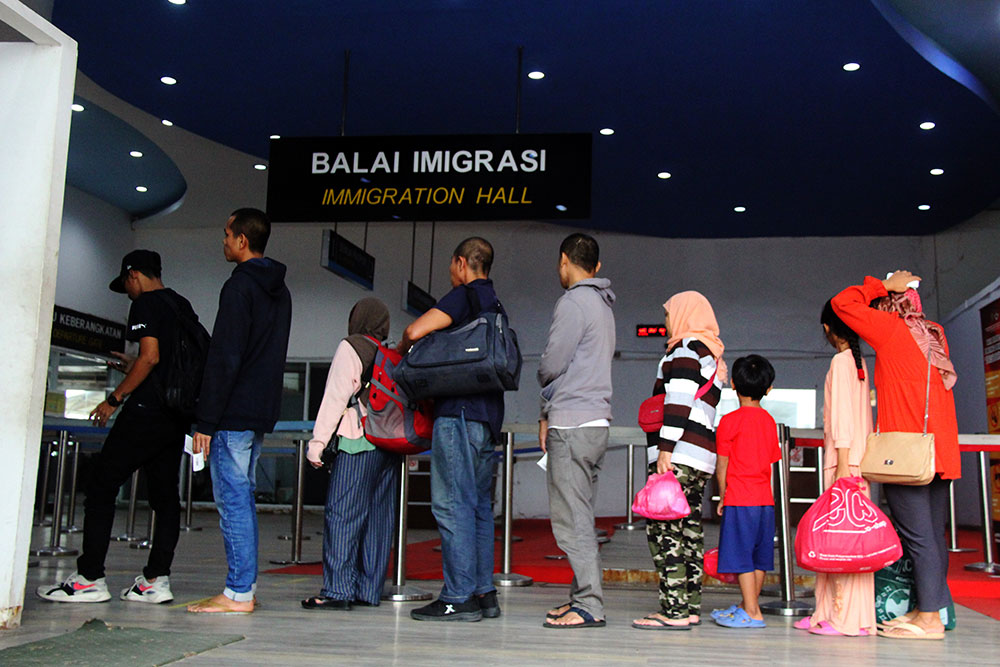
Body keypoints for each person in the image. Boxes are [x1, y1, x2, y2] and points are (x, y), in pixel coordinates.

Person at [38, 250, 199, 605]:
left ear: (133, 275)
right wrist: (133, 365)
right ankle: (156, 581)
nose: (127, 291)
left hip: (145, 412)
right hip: (175, 415)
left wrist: (113, 399)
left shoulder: (145, 304)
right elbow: (165, 362)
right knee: (165, 498)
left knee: (101, 486)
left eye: (126, 284)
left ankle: (89, 578)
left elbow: (151, 357)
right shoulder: (180, 304)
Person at [832, 270, 959, 641]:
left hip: (907, 455)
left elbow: (842, 303)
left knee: (918, 538)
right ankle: (929, 609)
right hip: (940, 451)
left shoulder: (890, 329)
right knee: (933, 535)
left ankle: (930, 619)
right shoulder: (934, 333)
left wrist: (883, 286)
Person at [187, 208, 292, 614]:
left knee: (232, 501)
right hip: (259, 409)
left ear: (243, 240)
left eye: (227, 234)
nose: (224, 241)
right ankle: (244, 587)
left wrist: (206, 419)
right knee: (243, 499)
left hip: (232, 413)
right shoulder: (280, 291)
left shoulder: (238, 287)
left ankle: (237, 593)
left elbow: (225, 356)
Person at [398, 237, 503, 622]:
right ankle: (483, 593)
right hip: (487, 418)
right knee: (477, 507)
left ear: (461, 263)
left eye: (451, 265)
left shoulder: (464, 296)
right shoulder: (495, 304)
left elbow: (415, 330)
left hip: (458, 414)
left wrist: (402, 347)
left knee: (451, 504)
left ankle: (457, 596)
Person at [633, 291, 724, 630]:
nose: (667, 321)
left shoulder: (685, 349)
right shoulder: (711, 356)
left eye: (669, 314)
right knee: (689, 531)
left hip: (679, 455)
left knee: (664, 531)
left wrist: (665, 449)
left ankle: (674, 610)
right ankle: (690, 606)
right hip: (700, 458)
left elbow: (679, 401)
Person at [302, 298, 400, 610]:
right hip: (388, 446)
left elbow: (335, 397)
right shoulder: (389, 353)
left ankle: (338, 590)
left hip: (358, 441)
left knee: (343, 514)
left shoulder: (352, 347)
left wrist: (318, 443)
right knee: (378, 520)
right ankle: (368, 590)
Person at [538, 234, 615, 629]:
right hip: (596, 423)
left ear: (564, 260)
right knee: (581, 516)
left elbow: (552, 362)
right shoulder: (603, 305)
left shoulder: (573, 302)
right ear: (597, 267)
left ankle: (588, 604)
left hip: (571, 423)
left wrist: (542, 387)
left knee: (572, 521)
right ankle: (580, 598)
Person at [795, 301, 876, 636]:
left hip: (843, 462)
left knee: (840, 541)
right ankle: (828, 612)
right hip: (857, 460)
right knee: (851, 541)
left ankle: (843, 618)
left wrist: (842, 466)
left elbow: (842, 417)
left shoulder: (841, 362)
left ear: (828, 329)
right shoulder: (858, 362)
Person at [711, 355, 781, 629]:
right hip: (765, 501)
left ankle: (752, 612)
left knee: (741, 557)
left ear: (733, 384)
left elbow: (723, 465)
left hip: (740, 499)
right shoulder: (769, 421)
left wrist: (722, 495)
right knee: (759, 557)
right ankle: (747, 606)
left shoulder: (729, 421)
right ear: (768, 389)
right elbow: (771, 462)